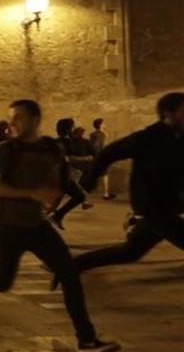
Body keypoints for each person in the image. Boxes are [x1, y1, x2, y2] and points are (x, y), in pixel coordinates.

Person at [0, 100, 120, 352]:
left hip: (38, 227)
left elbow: (59, 180)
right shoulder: (5, 149)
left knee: (69, 275)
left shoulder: (49, 148)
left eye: (18, 119)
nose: (11, 124)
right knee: (1, 282)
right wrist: (33, 195)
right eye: (11, 118)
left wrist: (54, 198)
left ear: (35, 120)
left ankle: (86, 338)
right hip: (7, 228)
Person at [67, 92, 184, 282]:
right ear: (168, 114)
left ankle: (74, 266)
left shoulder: (180, 138)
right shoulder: (148, 137)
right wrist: (89, 183)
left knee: (129, 253)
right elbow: (107, 153)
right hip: (153, 208)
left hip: (168, 207)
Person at [50, 117, 91, 230]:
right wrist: (86, 159)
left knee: (55, 204)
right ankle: (54, 217)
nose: (74, 128)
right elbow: (67, 158)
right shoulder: (66, 141)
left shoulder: (57, 140)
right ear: (69, 129)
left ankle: (56, 217)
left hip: (62, 175)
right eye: (73, 127)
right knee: (80, 196)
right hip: (63, 176)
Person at [89, 118, 115, 200]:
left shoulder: (93, 134)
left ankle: (105, 193)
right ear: (100, 125)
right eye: (103, 123)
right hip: (100, 156)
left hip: (96, 156)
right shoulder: (100, 134)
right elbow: (97, 146)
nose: (105, 124)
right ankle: (106, 194)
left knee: (101, 174)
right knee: (104, 174)